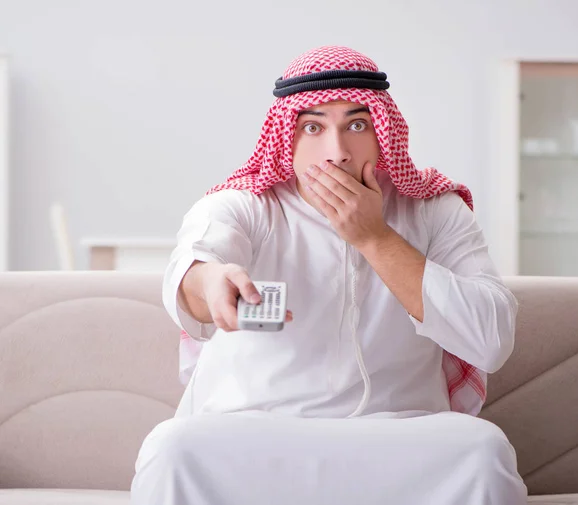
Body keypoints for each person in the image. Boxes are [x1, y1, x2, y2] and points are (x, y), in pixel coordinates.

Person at [130, 45, 528, 505]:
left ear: (382, 132)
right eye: (313, 128)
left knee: (483, 451)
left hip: (397, 438)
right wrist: (209, 284)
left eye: (356, 125)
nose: (336, 152)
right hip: (256, 436)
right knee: (172, 448)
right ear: (287, 138)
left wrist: (375, 238)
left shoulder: (436, 211)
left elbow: (492, 340)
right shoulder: (245, 204)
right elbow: (196, 268)